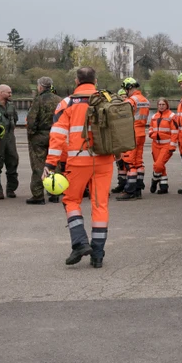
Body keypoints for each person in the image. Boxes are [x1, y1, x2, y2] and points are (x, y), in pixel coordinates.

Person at [44, 67, 115, 268]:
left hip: (78, 161)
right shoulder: (107, 99)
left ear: (76, 81)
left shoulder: (66, 103)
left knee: (71, 200)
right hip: (104, 160)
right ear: (95, 80)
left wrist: (50, 163)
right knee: (100, 205)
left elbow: (57, 137)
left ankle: (80, 242)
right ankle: (98, 254)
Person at [115, 78, 150, 201]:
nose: (126, 92)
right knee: (138, 162)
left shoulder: (131, 100)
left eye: (126, 89)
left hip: (132, 132)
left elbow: (121, 115)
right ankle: (138, 189)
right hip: (141, 132)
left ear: (129, 88)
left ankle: (130, 190)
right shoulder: (145, 100)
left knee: (130, 162)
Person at [26, 77, 60, 205]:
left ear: (40, 87)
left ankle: (38, 195)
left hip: (40, 136)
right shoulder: (59, 100)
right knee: (54, 164)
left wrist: (31, 134)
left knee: (38, 165)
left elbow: (31, 120)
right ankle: (55, 192)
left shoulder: (38, 100)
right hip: (56, 135)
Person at [0, 84, 20, 199]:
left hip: (10, 139)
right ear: (1, 93)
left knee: (13, 163)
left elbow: (16, 120)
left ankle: (11, 189)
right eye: (8, 92)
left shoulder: (11, 106)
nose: (10, 94)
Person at [147, 97, 178, 195]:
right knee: (161, 166)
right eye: (159, 104)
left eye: (163, 104)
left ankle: (154, 179)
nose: (161, 106)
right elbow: (150, 127)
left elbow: (174, 132)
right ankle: (164, 186)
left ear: (167, 105)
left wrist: (172, 146)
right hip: (155, 144)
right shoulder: (154, 116)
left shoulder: (172, 116)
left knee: (158, 165)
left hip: (166, 145)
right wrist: (151, 134)